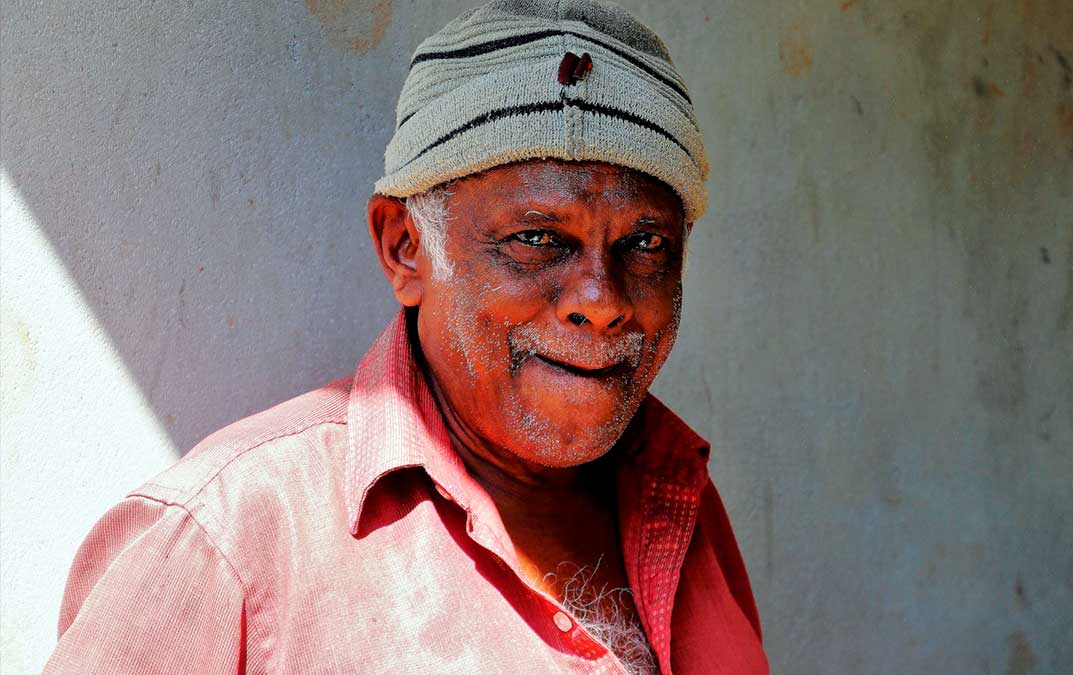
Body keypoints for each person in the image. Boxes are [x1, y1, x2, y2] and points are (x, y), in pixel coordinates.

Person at [43, 1, 768, 672]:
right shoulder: (225, 538)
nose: (601, 302)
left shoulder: (683, 498)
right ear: (405, 248)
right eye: (538, 237)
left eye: (646, 243)